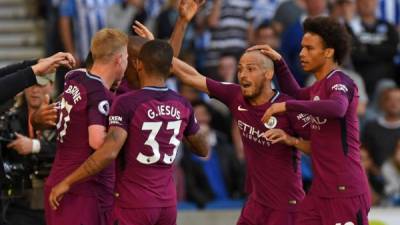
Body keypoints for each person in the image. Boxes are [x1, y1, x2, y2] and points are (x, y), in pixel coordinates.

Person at [49, 40, 208, 225]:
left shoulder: (127, 103)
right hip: (167, 204)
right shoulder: (183, 104)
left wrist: (68, 182)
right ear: (170, 68)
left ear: (138, 64)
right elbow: (203, 150)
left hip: (134, 202)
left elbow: (108, 152)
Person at [167, 45, 311, 224]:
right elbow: (192, 76)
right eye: (241, 69)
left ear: (268, 74)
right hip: (256, 202)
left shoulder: (287, 107)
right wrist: (159, 51)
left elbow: (318, 148)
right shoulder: (236, 96)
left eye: (251, 69)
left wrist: (291, 140)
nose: (243, 75)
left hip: (287, 205)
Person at [249, 16, 370, 224]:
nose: (301, 54)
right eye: (301, 47)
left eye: (309, 48)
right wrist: (279, 63)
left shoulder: (341, 81)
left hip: (345, 191)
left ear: (328, 52)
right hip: (320, 193)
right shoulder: (317, 87)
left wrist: (286, 106)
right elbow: (295, 93)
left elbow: (337, 108)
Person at [44, 28, 129, 225]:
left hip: (57, 179)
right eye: (126, 57)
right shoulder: (99, 94)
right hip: (80, 190)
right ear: (119, 59)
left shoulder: (73, 77)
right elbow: (97, 141)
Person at [0, 52, 75, 103]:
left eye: (40, 85)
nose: (35, 90)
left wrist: (38, 63)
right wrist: (35, 69)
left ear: (52, 86)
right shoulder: (11, 118)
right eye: (31, 85)